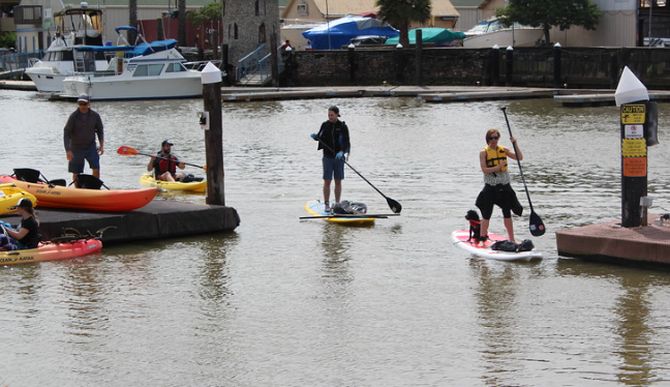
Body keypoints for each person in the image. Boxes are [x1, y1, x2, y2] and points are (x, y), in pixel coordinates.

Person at [475, 128, 524, 243]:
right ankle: (483, 237)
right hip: (490, 187)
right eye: (491, 138)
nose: (494, 140)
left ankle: (511, 239)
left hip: (504, 187)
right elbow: (484, 169)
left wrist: (515, 144)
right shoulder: (483, 153)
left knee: (507, 212)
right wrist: (497, 167)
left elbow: (519, 157)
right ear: (488, 139)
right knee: (486, 214)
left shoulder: (504, 150)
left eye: (496, 137)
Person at [310, 106, 351, 211]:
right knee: (327, 181)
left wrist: (343, 152)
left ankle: (337, 203)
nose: (330, 117)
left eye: (332, 115)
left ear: (337, 114)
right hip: (327, 157)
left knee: (338, 181)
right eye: (329, 115)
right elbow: (320, 136)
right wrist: (316, 137)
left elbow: (347, 142)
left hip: (339, 158)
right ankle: (327, 204)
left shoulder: (342, 126)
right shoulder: (325, 125)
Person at [63, 94, 104, 185]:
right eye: (80, 104)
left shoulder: (95, 116)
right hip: (76, 148)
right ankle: (77, 190)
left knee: (96, 168)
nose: (82, 106)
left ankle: (94, 187)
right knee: (76, 172)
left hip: (91, 147)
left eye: (84, 104)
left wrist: (101, 145)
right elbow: (66, 133)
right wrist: (68, 150)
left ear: (89, 104)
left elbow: (100, 131)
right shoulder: (73, 117)